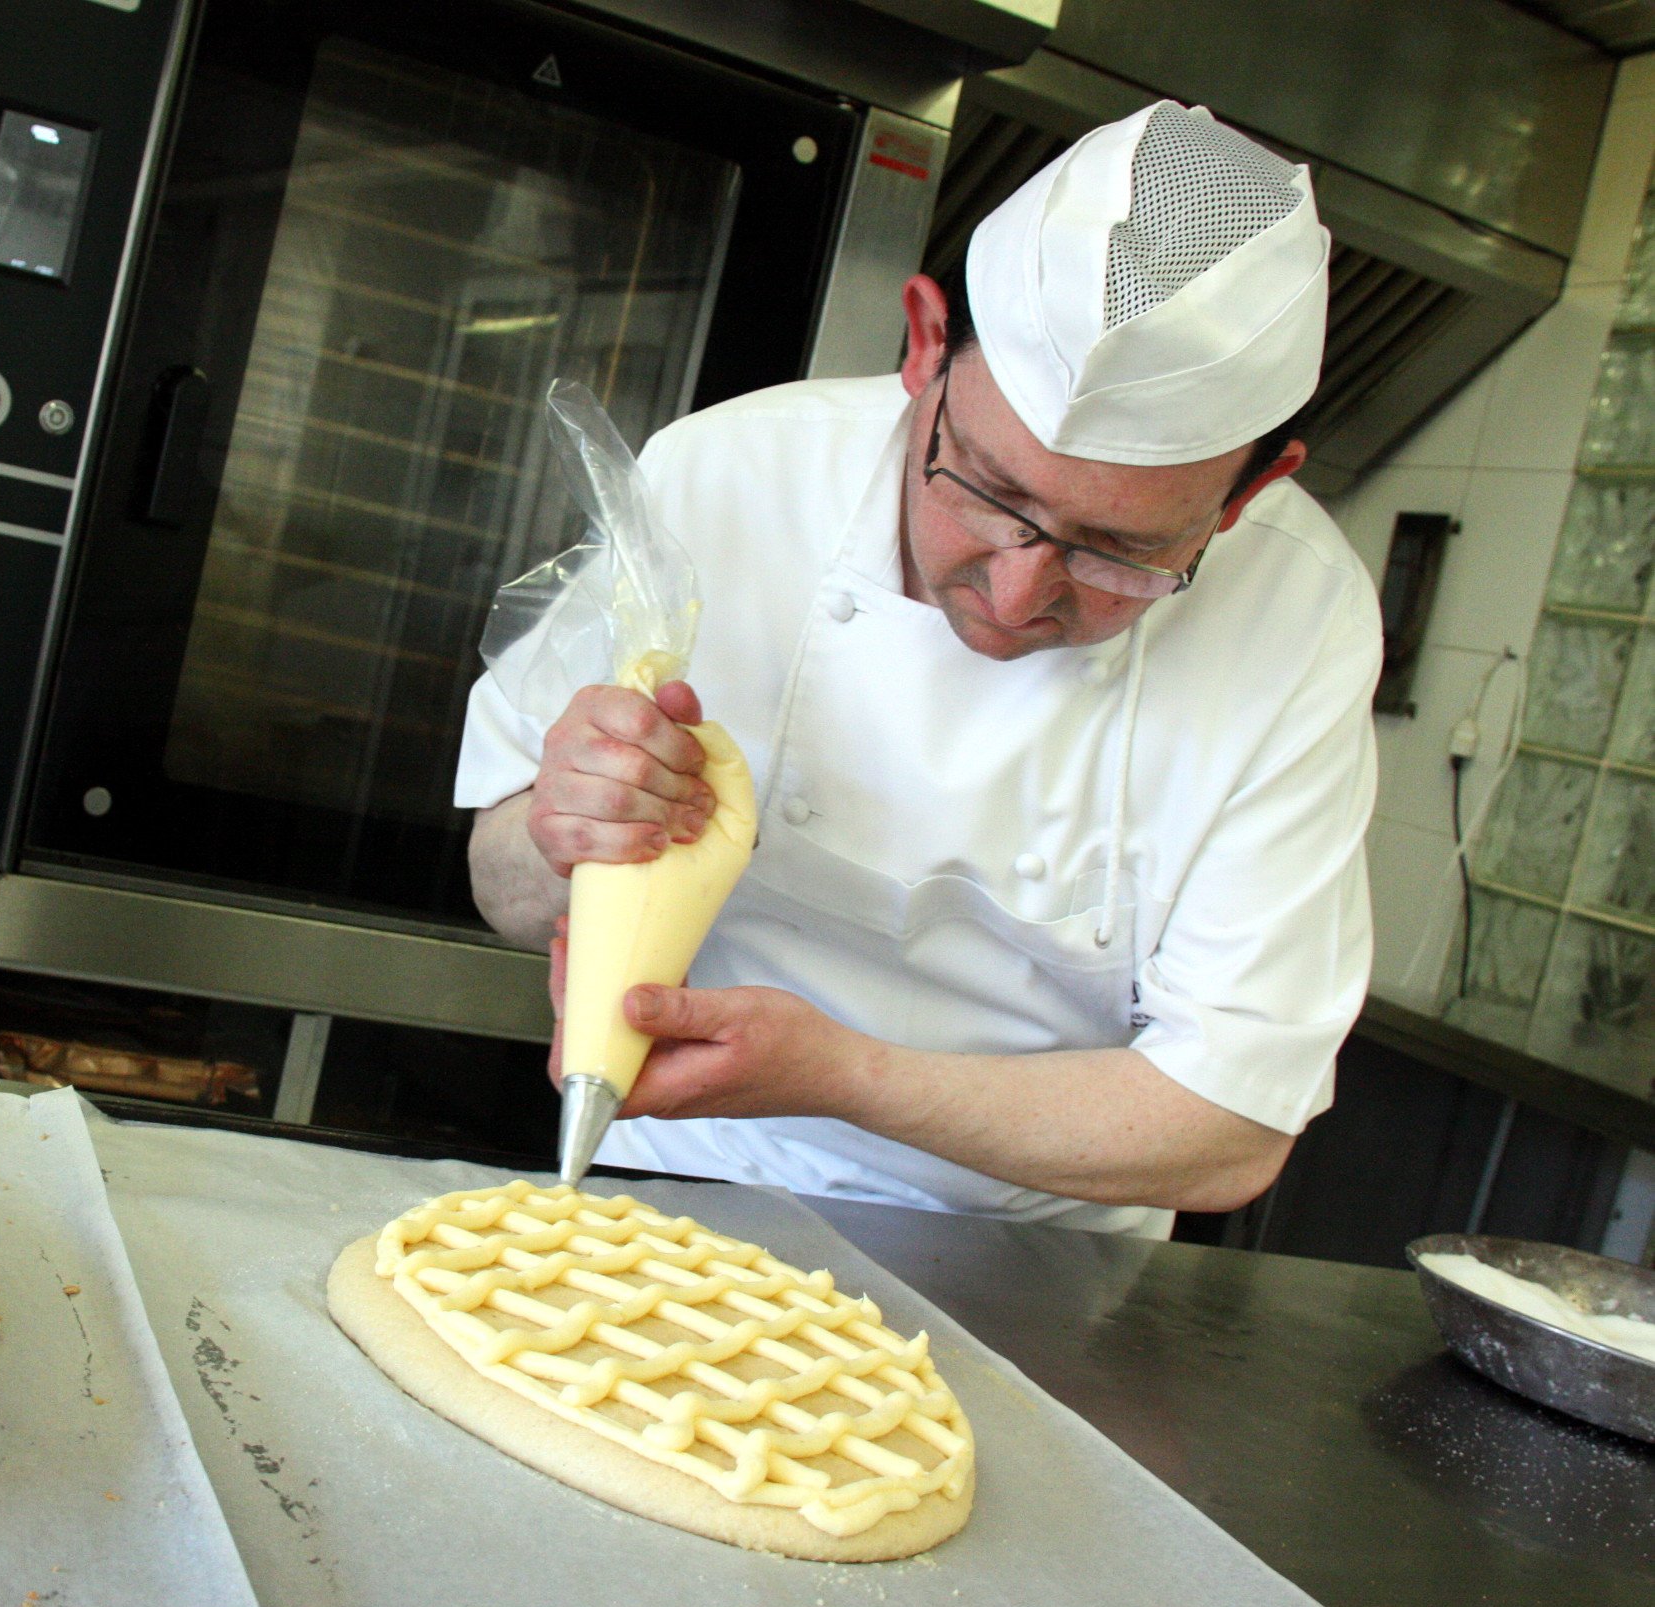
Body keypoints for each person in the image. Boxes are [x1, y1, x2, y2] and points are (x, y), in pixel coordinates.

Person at [457, 101, 1379, 1236]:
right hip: (666, 1194)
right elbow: (501, 889)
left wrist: (840, 1073)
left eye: (1121, 555)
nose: (1015, 592)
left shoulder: (1300, 616)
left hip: (1038, 1267)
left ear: (1252, 489)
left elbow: (1231, 1128)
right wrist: (563, 828)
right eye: (987, 494)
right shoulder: (727, 474)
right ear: (923, 341)